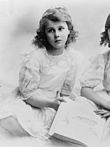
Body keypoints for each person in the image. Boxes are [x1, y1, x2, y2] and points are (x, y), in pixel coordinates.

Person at [0, 7, 78, 139]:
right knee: (18, 121)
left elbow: (65, 92)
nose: (57, 35)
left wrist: (62, 104)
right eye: (50, 30)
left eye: (60, 29)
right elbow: (29, 96)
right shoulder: (35, 58)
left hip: (53, 102)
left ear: (69, 30)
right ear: (44, 35)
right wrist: (52, 104)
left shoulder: (71, 59)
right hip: (32, 101)